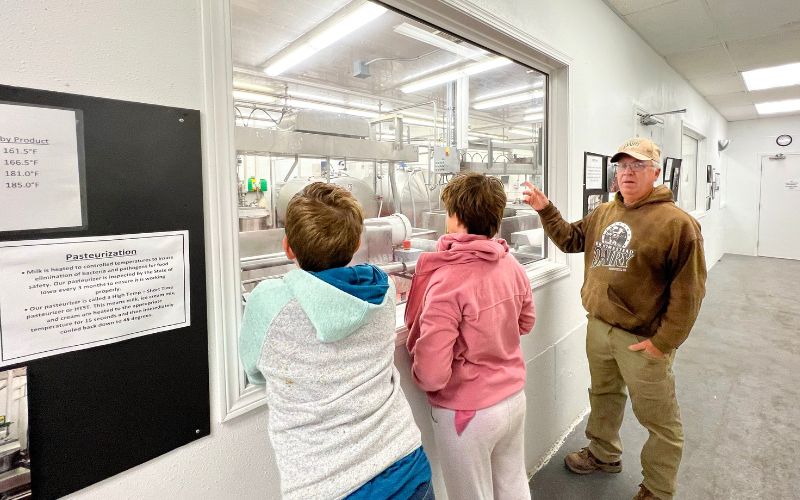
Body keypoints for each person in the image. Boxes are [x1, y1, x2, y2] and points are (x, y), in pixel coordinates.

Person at [522, 137, 707, 500]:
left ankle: (657, 488)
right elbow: (572, 239)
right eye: (622, 166)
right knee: (603, 395)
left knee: (660, 420)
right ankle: (604, 455)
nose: (627, 173)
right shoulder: (606, 212)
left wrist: (662, 344)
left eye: (637, 166)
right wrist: (546, 209)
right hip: (600, 327)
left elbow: (689, 293)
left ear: (656, 171)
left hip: (642, 339)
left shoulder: (677, 224)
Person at [240, 182, 433, 500]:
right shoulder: (379, 291)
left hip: (328, 487)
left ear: (288, 247)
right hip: (407, 468)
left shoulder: (269, 303)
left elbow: (255, 371)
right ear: (358, 242)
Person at [405, 172, 536, 500]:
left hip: (468, 414)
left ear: (456, 217)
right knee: (513, 486)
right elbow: (526, 322)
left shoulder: (447, 279)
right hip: (513, 399)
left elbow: (432, 374)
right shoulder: (511, 264)